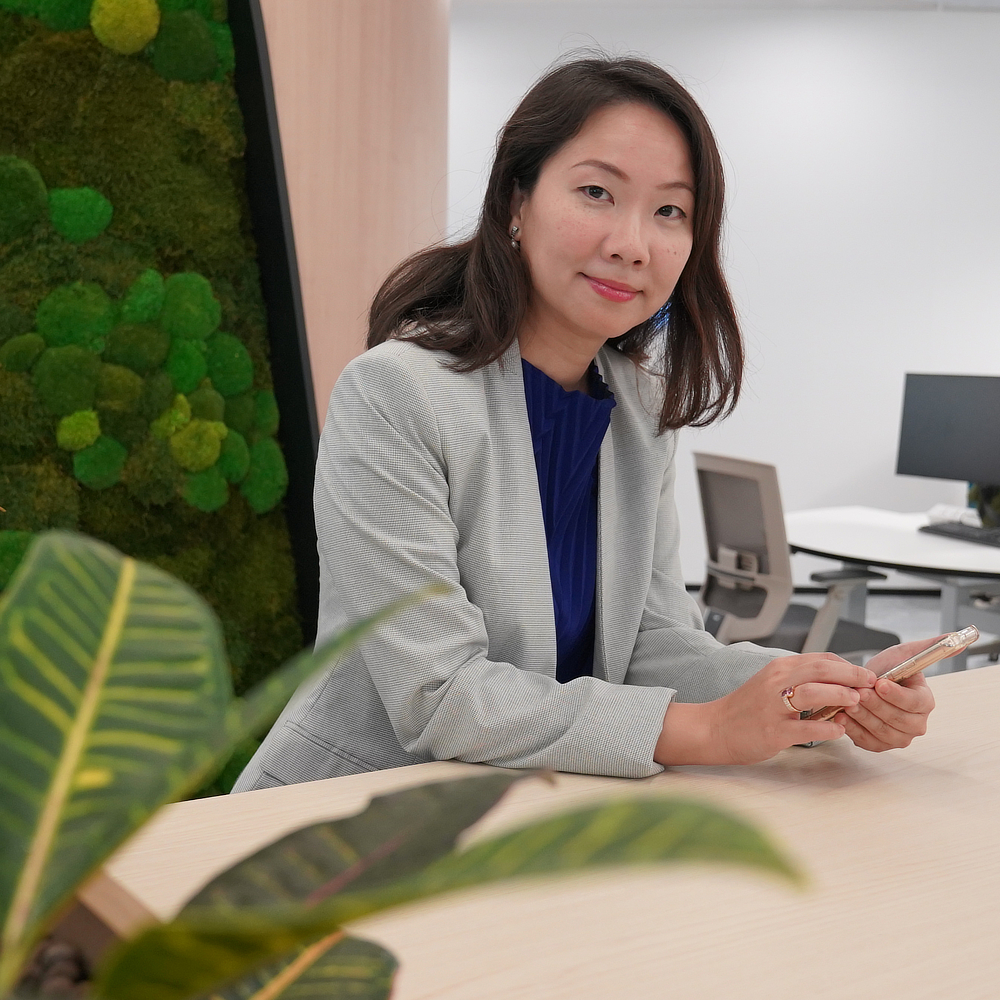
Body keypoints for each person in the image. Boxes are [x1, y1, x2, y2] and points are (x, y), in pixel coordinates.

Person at [233, 55, 934, 792]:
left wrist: (824, 691)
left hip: (531, 814)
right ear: (515, 201)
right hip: (351, 821)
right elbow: (439, 696)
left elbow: (652, 644)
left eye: (670, 211)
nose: (632, 243)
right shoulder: (395, 393)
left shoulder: (641, 407)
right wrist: (708, 728)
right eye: (597, 192)